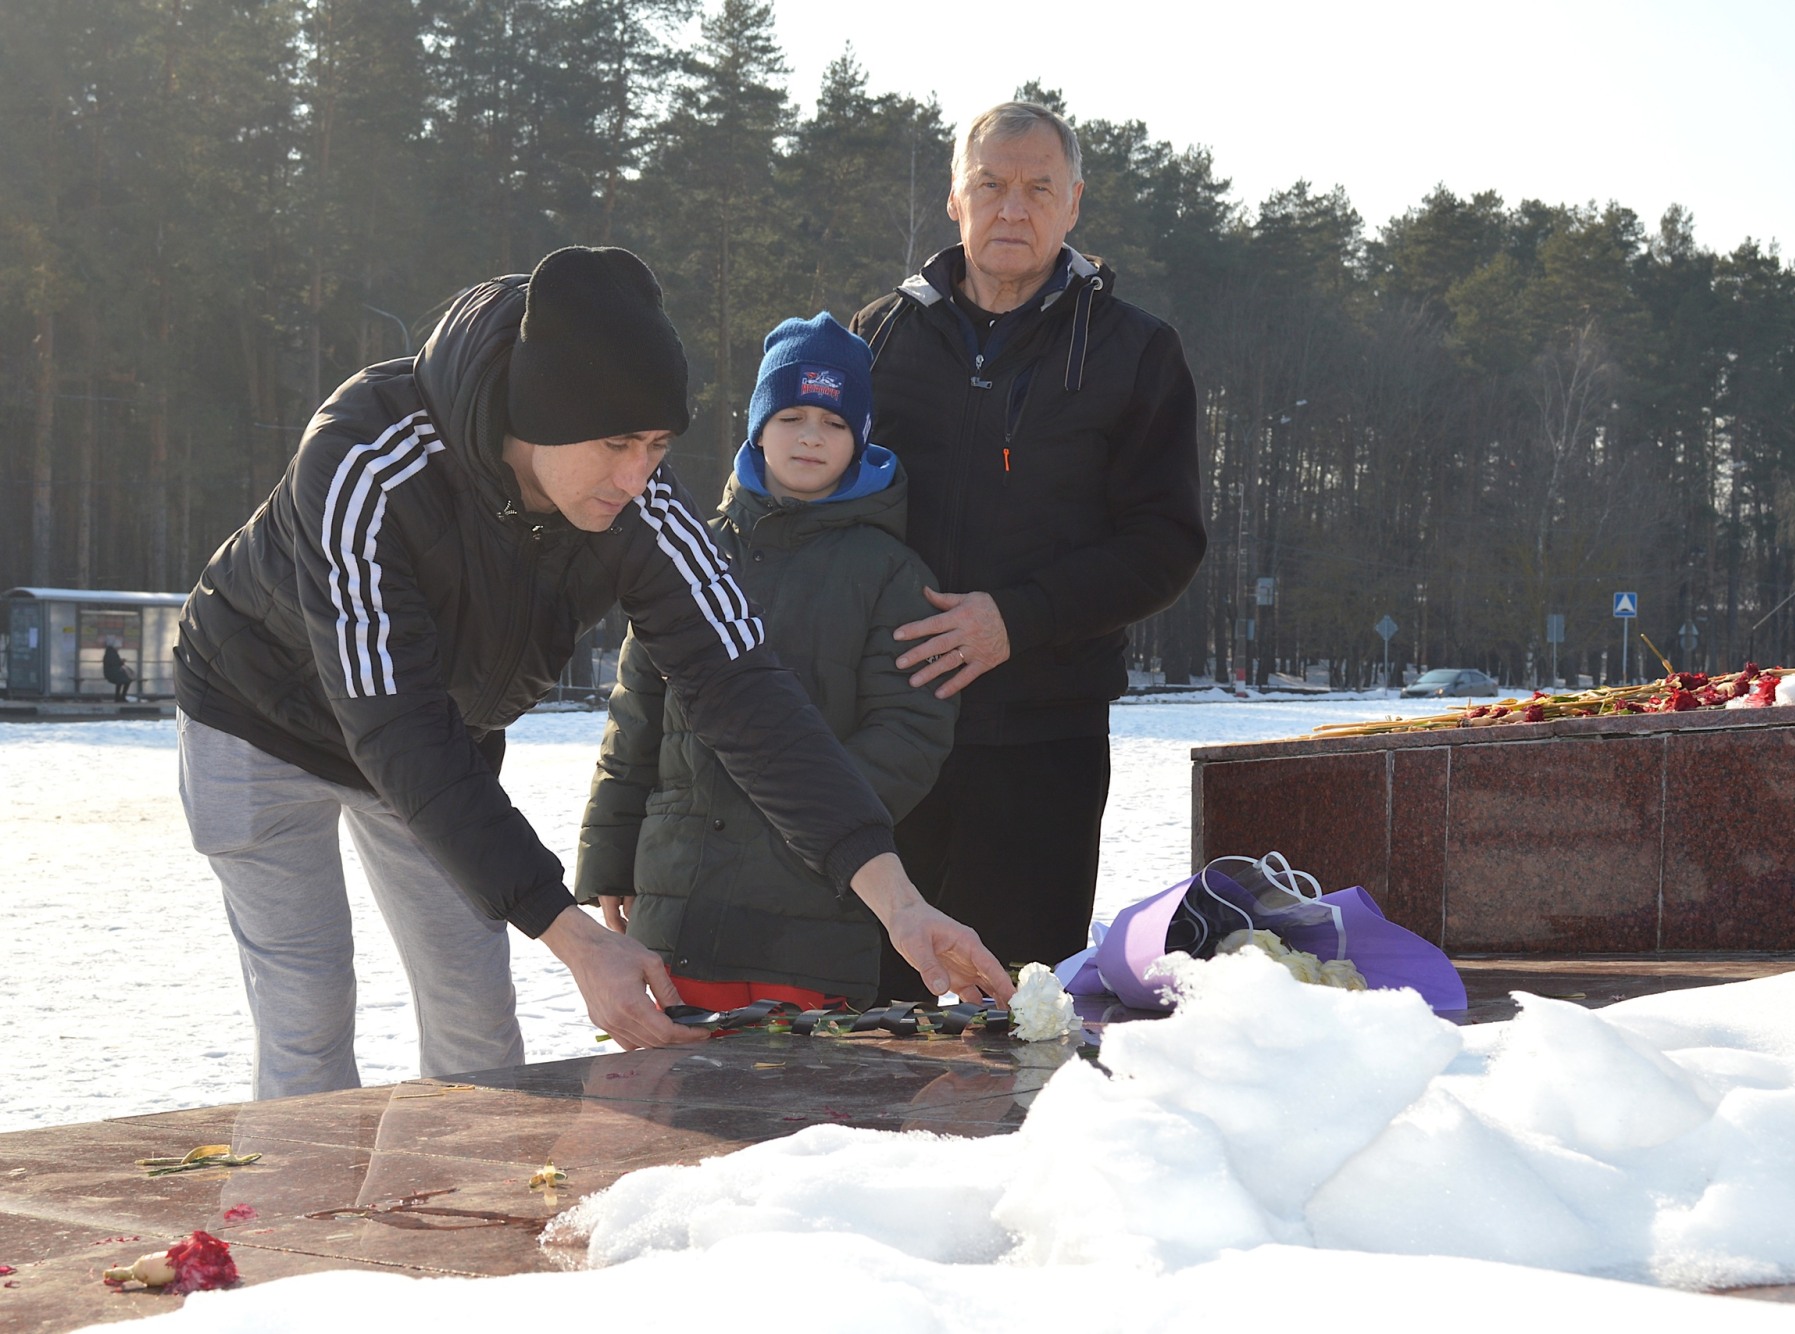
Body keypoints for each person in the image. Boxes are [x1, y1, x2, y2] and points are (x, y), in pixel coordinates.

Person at [175, 246, 1012, 1101]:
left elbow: (745, 691)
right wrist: (576, 937)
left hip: (437, 744)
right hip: (259, 720)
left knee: (473, 1010)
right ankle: (290, 1225)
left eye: (655, 445)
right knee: (308, 1012)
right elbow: (394, 726)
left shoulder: (637, 502)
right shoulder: (367, 460)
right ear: (536, 418)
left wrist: (899, 904)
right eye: (616, 443)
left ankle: (457, 1219)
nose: (637, 475)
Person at [852, 101, 1206, 998]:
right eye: (991, 185)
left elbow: (1165, 542)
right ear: (954, 199)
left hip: (1044, 743)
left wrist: (1017, 619)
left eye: (1038, 188)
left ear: (1074, 202)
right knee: (870, 1017)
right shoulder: (876, 339)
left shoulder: (1136, 352)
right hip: (887, 737)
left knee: (1017, 1010)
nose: (1013, 208)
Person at [574, 314, 954, 1010]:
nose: (811, 435)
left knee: (801, 1103)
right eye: (793, 416)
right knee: (676, 1103)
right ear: (757, 427)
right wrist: (609, 855)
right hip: (679, 902)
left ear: (860, 438)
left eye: (834, 423)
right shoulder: (687, 554)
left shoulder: (893, 574)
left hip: (811, 909)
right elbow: (634, 720)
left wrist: (809, 822)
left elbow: (909, 734)